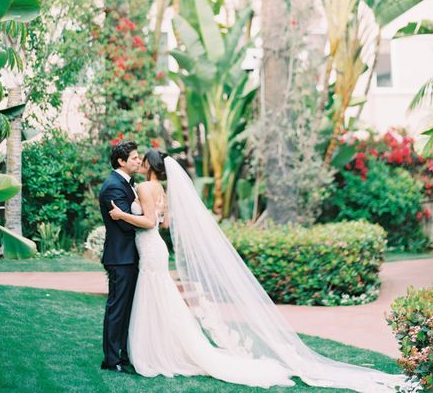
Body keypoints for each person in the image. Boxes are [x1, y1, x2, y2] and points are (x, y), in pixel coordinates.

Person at [108, 150, 407, 391]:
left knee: (154, 297)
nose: (138, 161)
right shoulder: (160, 188)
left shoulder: (145, 186)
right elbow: (165, 224)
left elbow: (149, 222)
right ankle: (162, 348)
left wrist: (122, 214)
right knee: (161, 299)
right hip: (155, 248)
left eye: (140, 158)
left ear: (148, 164)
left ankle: (153, 353)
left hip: (149, 248)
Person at [98, 141, 153, 373]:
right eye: (133, 158)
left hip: (129, 256)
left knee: (127, 308)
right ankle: (111, 360)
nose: (138, 160)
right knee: (117, 308)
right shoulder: (113, 186)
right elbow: (125, 224)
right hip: (121, 257)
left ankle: (123, 352)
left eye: (138, 157)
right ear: (121, 161)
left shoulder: (126, 184)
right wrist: (150, 223)